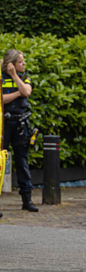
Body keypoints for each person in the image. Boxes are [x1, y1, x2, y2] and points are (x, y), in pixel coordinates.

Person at [1, 49, 39, 212]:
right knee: (0, 162)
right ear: (11, 64)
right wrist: (18, 93)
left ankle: (27, 199)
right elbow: (1, 99)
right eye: (20, 61)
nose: (23, 64)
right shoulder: (1, 79)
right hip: (3, 124)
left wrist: (15, 76)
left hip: (20, 123)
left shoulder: (24, 76)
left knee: (22, 161)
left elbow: (27, 92)